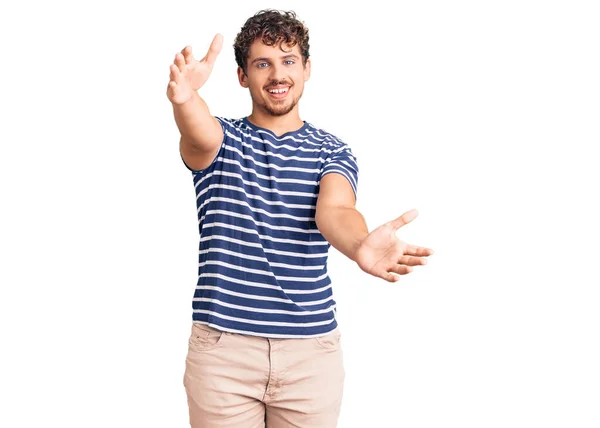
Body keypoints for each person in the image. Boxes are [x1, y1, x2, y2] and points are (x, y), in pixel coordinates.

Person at [166, 9, 434, 428]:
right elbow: (199, 132)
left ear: (306, 69)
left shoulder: (332, 152)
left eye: (288, 61)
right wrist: (186, 100)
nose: (277, 75)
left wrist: (358, 244)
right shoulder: (223, 141)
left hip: (310, 357)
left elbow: (336, 212)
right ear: (242, 75)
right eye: (262, 63)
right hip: (224, 353)